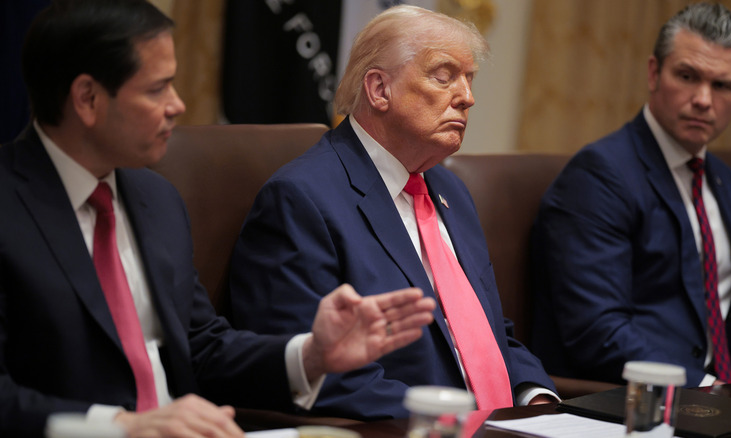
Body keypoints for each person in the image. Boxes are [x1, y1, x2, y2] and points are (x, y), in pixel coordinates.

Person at [0, 1, 436, 437]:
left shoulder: (155, 198)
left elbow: (202, 349)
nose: (178, 105)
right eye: (158, 89)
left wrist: (312, 355)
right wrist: (121, 427)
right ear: (88, 99)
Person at [228, 5, 558, 421]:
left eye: (469, 79)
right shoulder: (301, 200)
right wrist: (462, 422)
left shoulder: (450, 189)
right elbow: (319, 372)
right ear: (379, 89)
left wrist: (535, 399)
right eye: (444, 76)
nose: (467, 97)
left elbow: (486, 331)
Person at [531, 2, 731, 387]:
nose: (703, 99)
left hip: (726, 396)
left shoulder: (723, 178)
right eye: (687, 75)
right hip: (638, 400)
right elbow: (598, 331)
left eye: (721, 85)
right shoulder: (599, 175)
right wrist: (701, 387)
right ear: (653, 73)